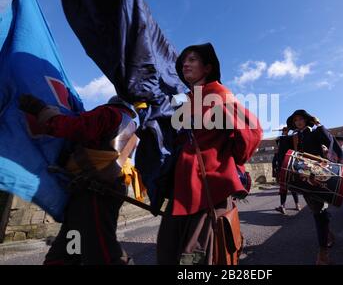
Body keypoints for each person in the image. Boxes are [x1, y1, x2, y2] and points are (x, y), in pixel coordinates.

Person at [156, 43, 262, 265]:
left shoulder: (218, 93)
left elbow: (252, 130)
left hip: (208, 190)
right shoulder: (183, 100)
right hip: (181, 189)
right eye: (184, 60)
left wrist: (228, 158)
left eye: (192, 59)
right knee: (167, 253)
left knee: (194, 260)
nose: (186, 64)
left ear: (207, 68)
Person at [19, 94, 140, 265]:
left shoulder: (109, 113)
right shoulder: (132, 127)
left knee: (102, 251)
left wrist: (42, 111)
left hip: (94, 191)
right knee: (69, 247)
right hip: (102, 188)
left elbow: (74, 128)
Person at [275, 110, 343, 265]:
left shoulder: (315, 133)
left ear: (307, 120)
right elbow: (283, 154)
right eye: (296, 120)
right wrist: (284, 135)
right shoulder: (292, 138)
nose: (298, 122)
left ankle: (323, 252)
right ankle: (326, 231)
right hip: (302, 179)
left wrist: (319, 125)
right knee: (318, 211)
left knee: (318, 212)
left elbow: (330, 141)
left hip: (320, 177)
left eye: (301, 119)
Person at [273, 127, 300, 214]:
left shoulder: (284, 139)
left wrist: (285, 132)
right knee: (291, 187)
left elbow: (280, 139)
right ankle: (295, 205)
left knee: (285, 188)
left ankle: (284, 206)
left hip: (285, 166)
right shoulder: (288, 140)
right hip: (289, 166)